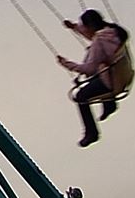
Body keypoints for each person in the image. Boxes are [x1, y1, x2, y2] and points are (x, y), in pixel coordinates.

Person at [54, 9, 128, 148]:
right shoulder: (113, 32)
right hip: (120, 74)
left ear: (91, 27)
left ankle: (91, 133)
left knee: (80, 97)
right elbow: (90, 33)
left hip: (110, 81)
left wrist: (66, 64)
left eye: (84, 27)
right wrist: (74, 27)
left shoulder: (99, 41)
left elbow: (89, 68)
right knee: (93, 75)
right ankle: (109, 104)